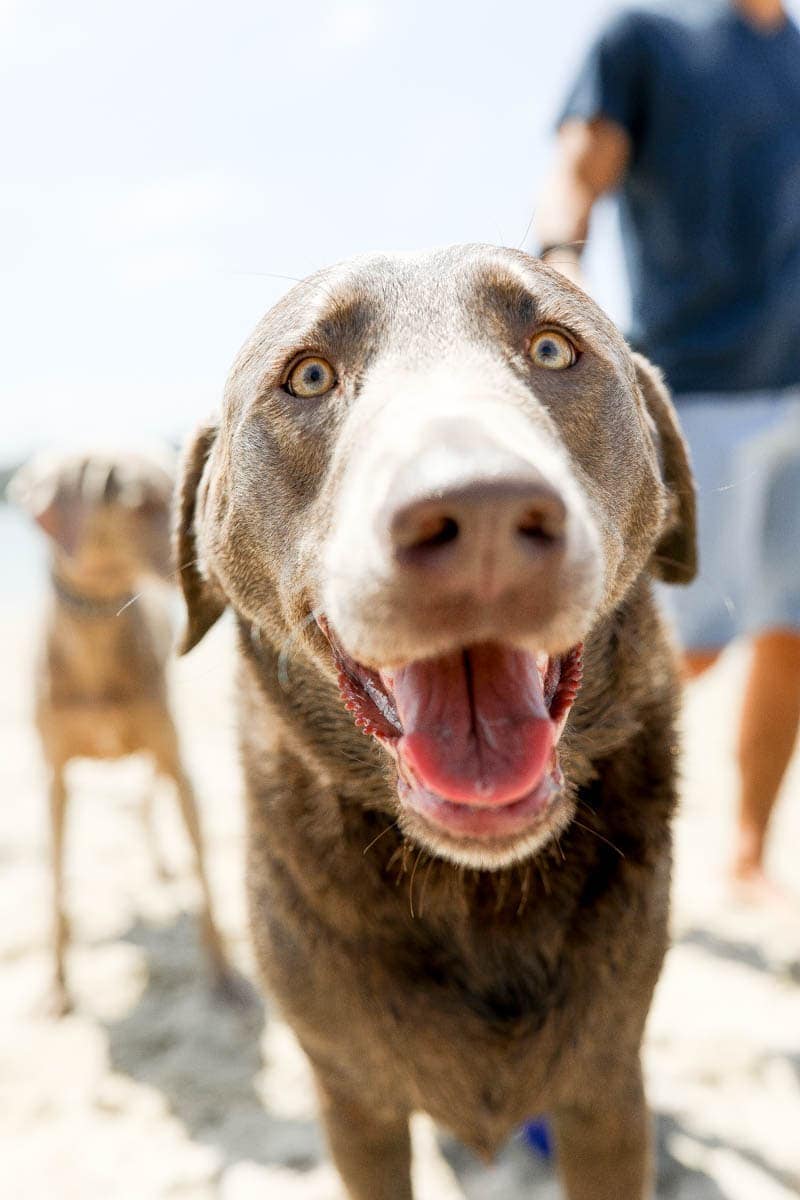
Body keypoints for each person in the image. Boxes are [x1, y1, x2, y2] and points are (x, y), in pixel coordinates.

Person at [535, 0, 800, 899]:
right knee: (681, 644)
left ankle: (747, 854)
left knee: (791, 633)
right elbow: (578, 164)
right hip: (695, 391)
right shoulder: (646, 37)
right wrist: (560, 268)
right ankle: (550, 815)